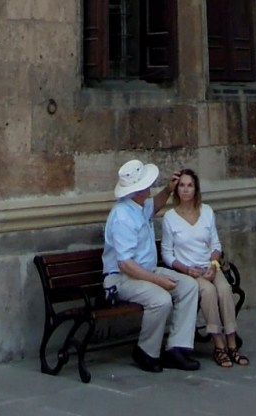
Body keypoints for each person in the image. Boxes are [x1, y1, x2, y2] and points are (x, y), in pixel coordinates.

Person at [102, 159, 199, 373]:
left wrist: (168, 189)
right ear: (138, 190)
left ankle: (177, 348)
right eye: (147, 184)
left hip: (146, 271)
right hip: (122, 279)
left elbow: (154, 205)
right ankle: (146, 351)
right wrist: (158, 280)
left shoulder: (138, 205)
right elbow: (125, 264)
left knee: (189, 287)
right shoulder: (122, 217)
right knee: (160, 300)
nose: (150, 186)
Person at [160, 168, 247, 368]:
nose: (185, 190)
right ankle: (218, 345)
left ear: (196, 189)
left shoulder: (206, 211)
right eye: (182, 185)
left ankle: (232, 343)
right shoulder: (170, 218)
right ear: (176, 189)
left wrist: (214, 265)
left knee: (224, 289)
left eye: (189, 185)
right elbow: (167, 254)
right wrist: (186, 269)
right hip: (190, 271)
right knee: (208, 292)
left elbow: (215, 245)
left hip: (210, 266)